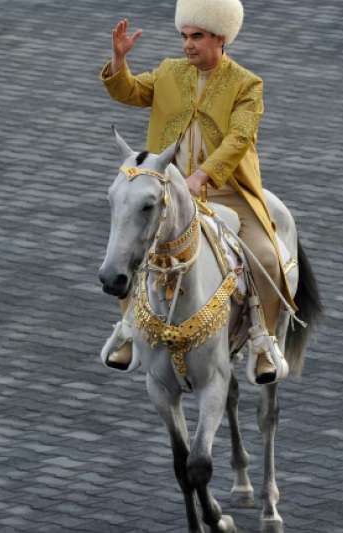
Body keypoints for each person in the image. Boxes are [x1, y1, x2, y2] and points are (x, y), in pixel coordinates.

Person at [98, 0, 295, 385]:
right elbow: (130, 92)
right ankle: (126, 327)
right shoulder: (170, 72)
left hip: (226, 193)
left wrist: (202, 177)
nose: (187, 45)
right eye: (184, 36)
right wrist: (119, 61)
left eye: (197, 37)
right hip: (170, 191)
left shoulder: (247, 85)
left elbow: (239, 138)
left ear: (220, 39)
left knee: (268, 257)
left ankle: (261, 340)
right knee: (128, 240)